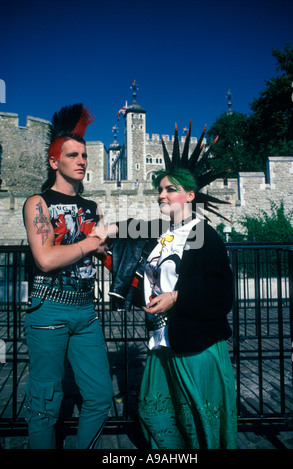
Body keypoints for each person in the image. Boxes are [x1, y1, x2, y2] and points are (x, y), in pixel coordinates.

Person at [136, 122, 237, 449]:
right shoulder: (161, 236)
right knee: (159, 419)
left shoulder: (205, 236)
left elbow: (222, 295)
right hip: (161, 342)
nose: (163, 194)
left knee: (198, 425)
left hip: (196, 344)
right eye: (161, 189)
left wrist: (177, 297)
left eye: (172, 189)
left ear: (191, 196)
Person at [23, 104, 114, 449]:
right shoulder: (38, 204)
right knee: (45, 405)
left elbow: (101, 255)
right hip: (48, 310)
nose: (81, 161)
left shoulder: (92, 208)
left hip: (86, 312)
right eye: (72, 155)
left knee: (101, 397)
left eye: (84, 156)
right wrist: (92, 243)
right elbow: (45, 258)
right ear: (54, 161)